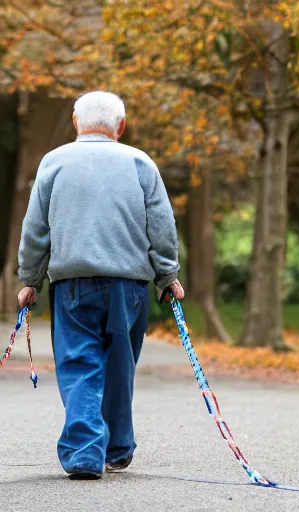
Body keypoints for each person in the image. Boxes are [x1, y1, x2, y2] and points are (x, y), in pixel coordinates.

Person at [16, 90, 184, 480]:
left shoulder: (53, 162)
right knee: (119, 365)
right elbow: (161, 225)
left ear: (76, 123)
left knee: (78, 362)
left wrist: (30, 279)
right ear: (120, 127)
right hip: (130, 286)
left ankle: (84, 452)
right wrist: (168, 275)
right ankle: (117, 449)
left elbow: (36, 230)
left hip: (72, 283)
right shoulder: (141, 163)